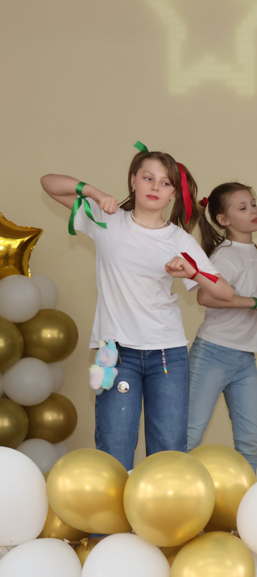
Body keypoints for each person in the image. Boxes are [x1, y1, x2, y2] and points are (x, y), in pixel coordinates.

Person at [41, 144, 233, 470]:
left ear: (173, 193)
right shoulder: (107, 220)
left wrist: (193, 272)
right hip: (115, 354)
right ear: (133, 181)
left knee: (168, 456)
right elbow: (48, 183)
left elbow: (225, 292)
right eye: (148, 178)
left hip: (167, 355)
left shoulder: (179, 240)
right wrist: (94, 193)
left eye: (165, 182)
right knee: (114, 450)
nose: (156, 187)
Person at [187, 182, 257, 471]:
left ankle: (249, 496)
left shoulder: (252, 251)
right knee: (188, 436)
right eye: (243, 207)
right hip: (213, 354)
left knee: (250, 441)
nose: (253, 210)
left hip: (244, 358)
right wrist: (254, 302)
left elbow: (255, 288)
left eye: (253, 204)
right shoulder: (225, 255)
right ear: (223, 220)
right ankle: (162, 490)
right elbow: (205, 296)